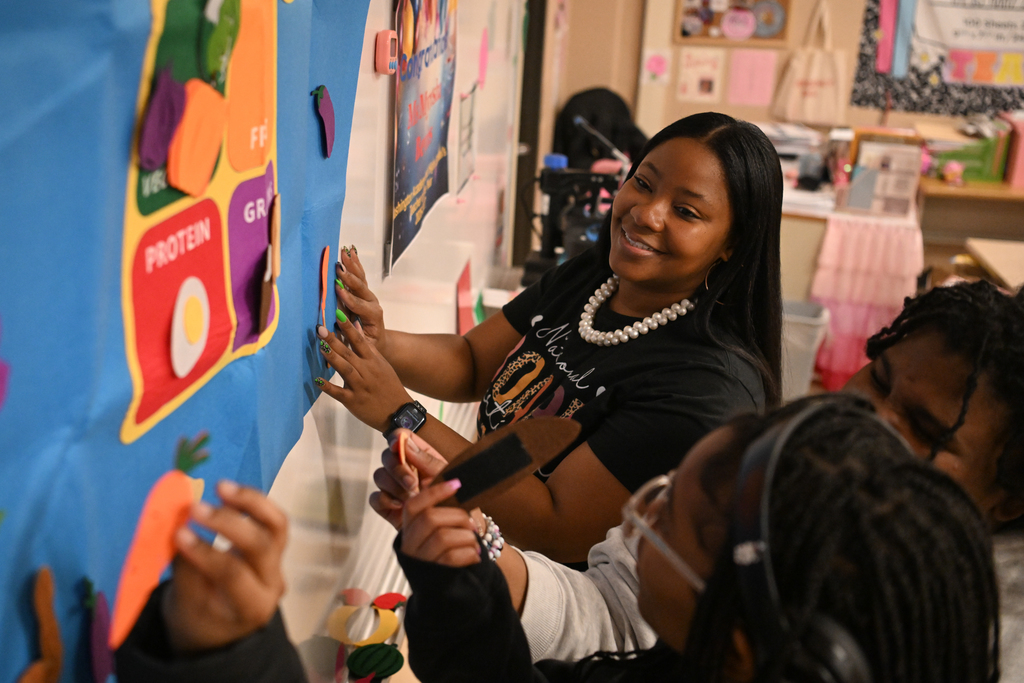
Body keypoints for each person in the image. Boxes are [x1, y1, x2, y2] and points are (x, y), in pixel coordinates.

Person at [114, 397, 1001, 683]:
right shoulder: (692, 662)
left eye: (669, 515)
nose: (642, 510)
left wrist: (235, 655)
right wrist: (456, 574)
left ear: (735, 647)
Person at [370, 279, 1024, 662]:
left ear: (1007, 500)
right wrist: (478, 553)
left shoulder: (974, 638)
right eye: (876, 379)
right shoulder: (779, 459)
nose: (867, 417)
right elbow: (613, 610)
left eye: (926, 430)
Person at [315, 112, 784, 563]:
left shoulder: (705, 388)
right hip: (474, 544)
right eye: (643, 183)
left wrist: (404, 417)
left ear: (732, 243)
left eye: (685, 211)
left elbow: (553, 527)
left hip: (544, 601)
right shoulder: (597, 276)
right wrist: (379, 342)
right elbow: (472, 362)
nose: (646, 213)